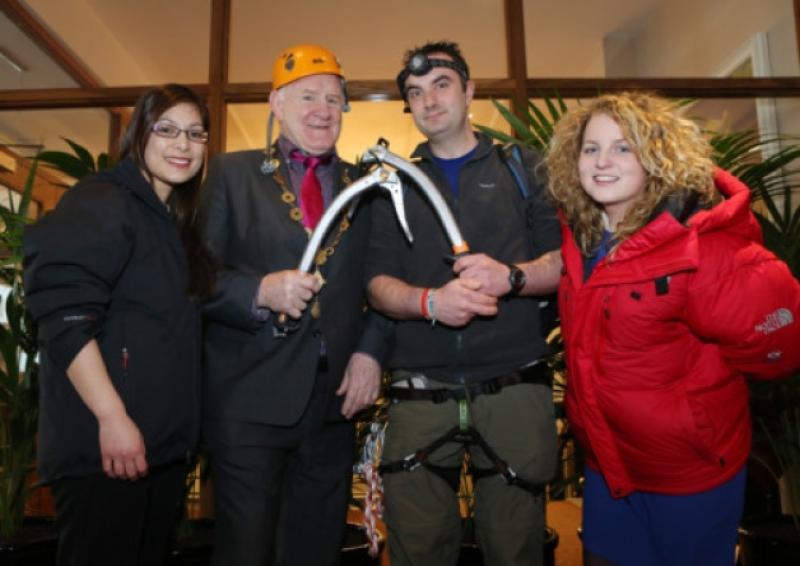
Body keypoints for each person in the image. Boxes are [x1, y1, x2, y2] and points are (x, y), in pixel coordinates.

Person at [545, 92, 800, 566]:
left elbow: (779, 348)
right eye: (591, 148)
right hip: (608, 466)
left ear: (656, 157)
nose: (603, 161)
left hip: (689, 474)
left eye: (624, 147)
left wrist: (697, 406)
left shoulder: (698, 244)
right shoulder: (583, 237)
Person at [365, 41, 562, 566]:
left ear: (469, 91)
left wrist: (511, 277)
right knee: (417, 546)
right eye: (415, 92)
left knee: (517, 547)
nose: (429, 100)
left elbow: (567, 262)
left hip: (514, 385)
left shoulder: (527, 168)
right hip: (419, 393)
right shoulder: (392, 187)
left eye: (441, 85)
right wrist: (430, 302)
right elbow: (375, 283)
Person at [200, 44, 387, 566]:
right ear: (275, 104)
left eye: (334, 98)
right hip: (247, 401)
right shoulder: (229, 175)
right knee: (246, 550)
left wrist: (371, 354)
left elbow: (383, 280)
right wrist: (258, 291)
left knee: (315, 548)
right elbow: (197, 279)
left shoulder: (366, 187)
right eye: (308, 96)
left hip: (335, 404)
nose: (323, 109)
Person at [22, 84, 214, 566]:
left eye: (195, 133)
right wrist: (112, 418)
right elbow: (64, 317)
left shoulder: (171, 221)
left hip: (156, 451)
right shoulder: (104, 201)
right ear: (138, 135)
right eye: (166, 129)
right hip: (106, 450)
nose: (182, 144)